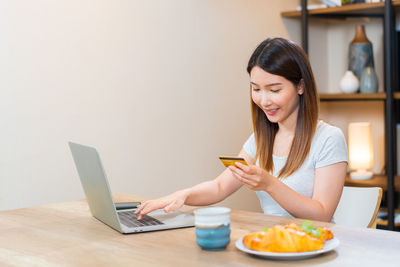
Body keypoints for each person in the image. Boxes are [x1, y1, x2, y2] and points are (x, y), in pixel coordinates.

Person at [135, 37, 348, 222]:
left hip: (313, 246)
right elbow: (219, 187)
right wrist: (181, 196)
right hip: (272, 244)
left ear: (300, 86)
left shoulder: (328, 139)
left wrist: (269, 184)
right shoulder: (261, 140)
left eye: (274, 90)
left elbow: (322, 214)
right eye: (256, 89)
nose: (264, 101)